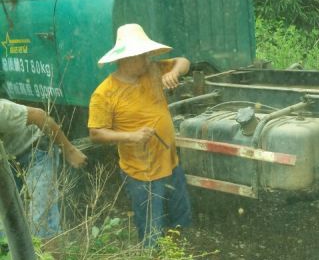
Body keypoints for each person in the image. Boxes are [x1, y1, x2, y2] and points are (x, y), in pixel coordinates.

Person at [88, 23, 192, 248]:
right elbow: (96, 133)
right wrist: (131, 136)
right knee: (151, 228)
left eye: (147, 54)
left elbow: (184, 61)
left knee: (179, 221)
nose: (147, 59)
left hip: (171, 165)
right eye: (142, 55)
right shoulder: (104, 93)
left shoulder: (152, 71)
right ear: (126, 58)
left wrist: (174, 72)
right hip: (142, 173)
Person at [0, 99, 87, 238]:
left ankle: (50, 259)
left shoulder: (2, 111)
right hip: (6, 162)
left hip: (35, 150)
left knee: (41, 224)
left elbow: (39, 116)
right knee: (5, 226)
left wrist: (70, 151)